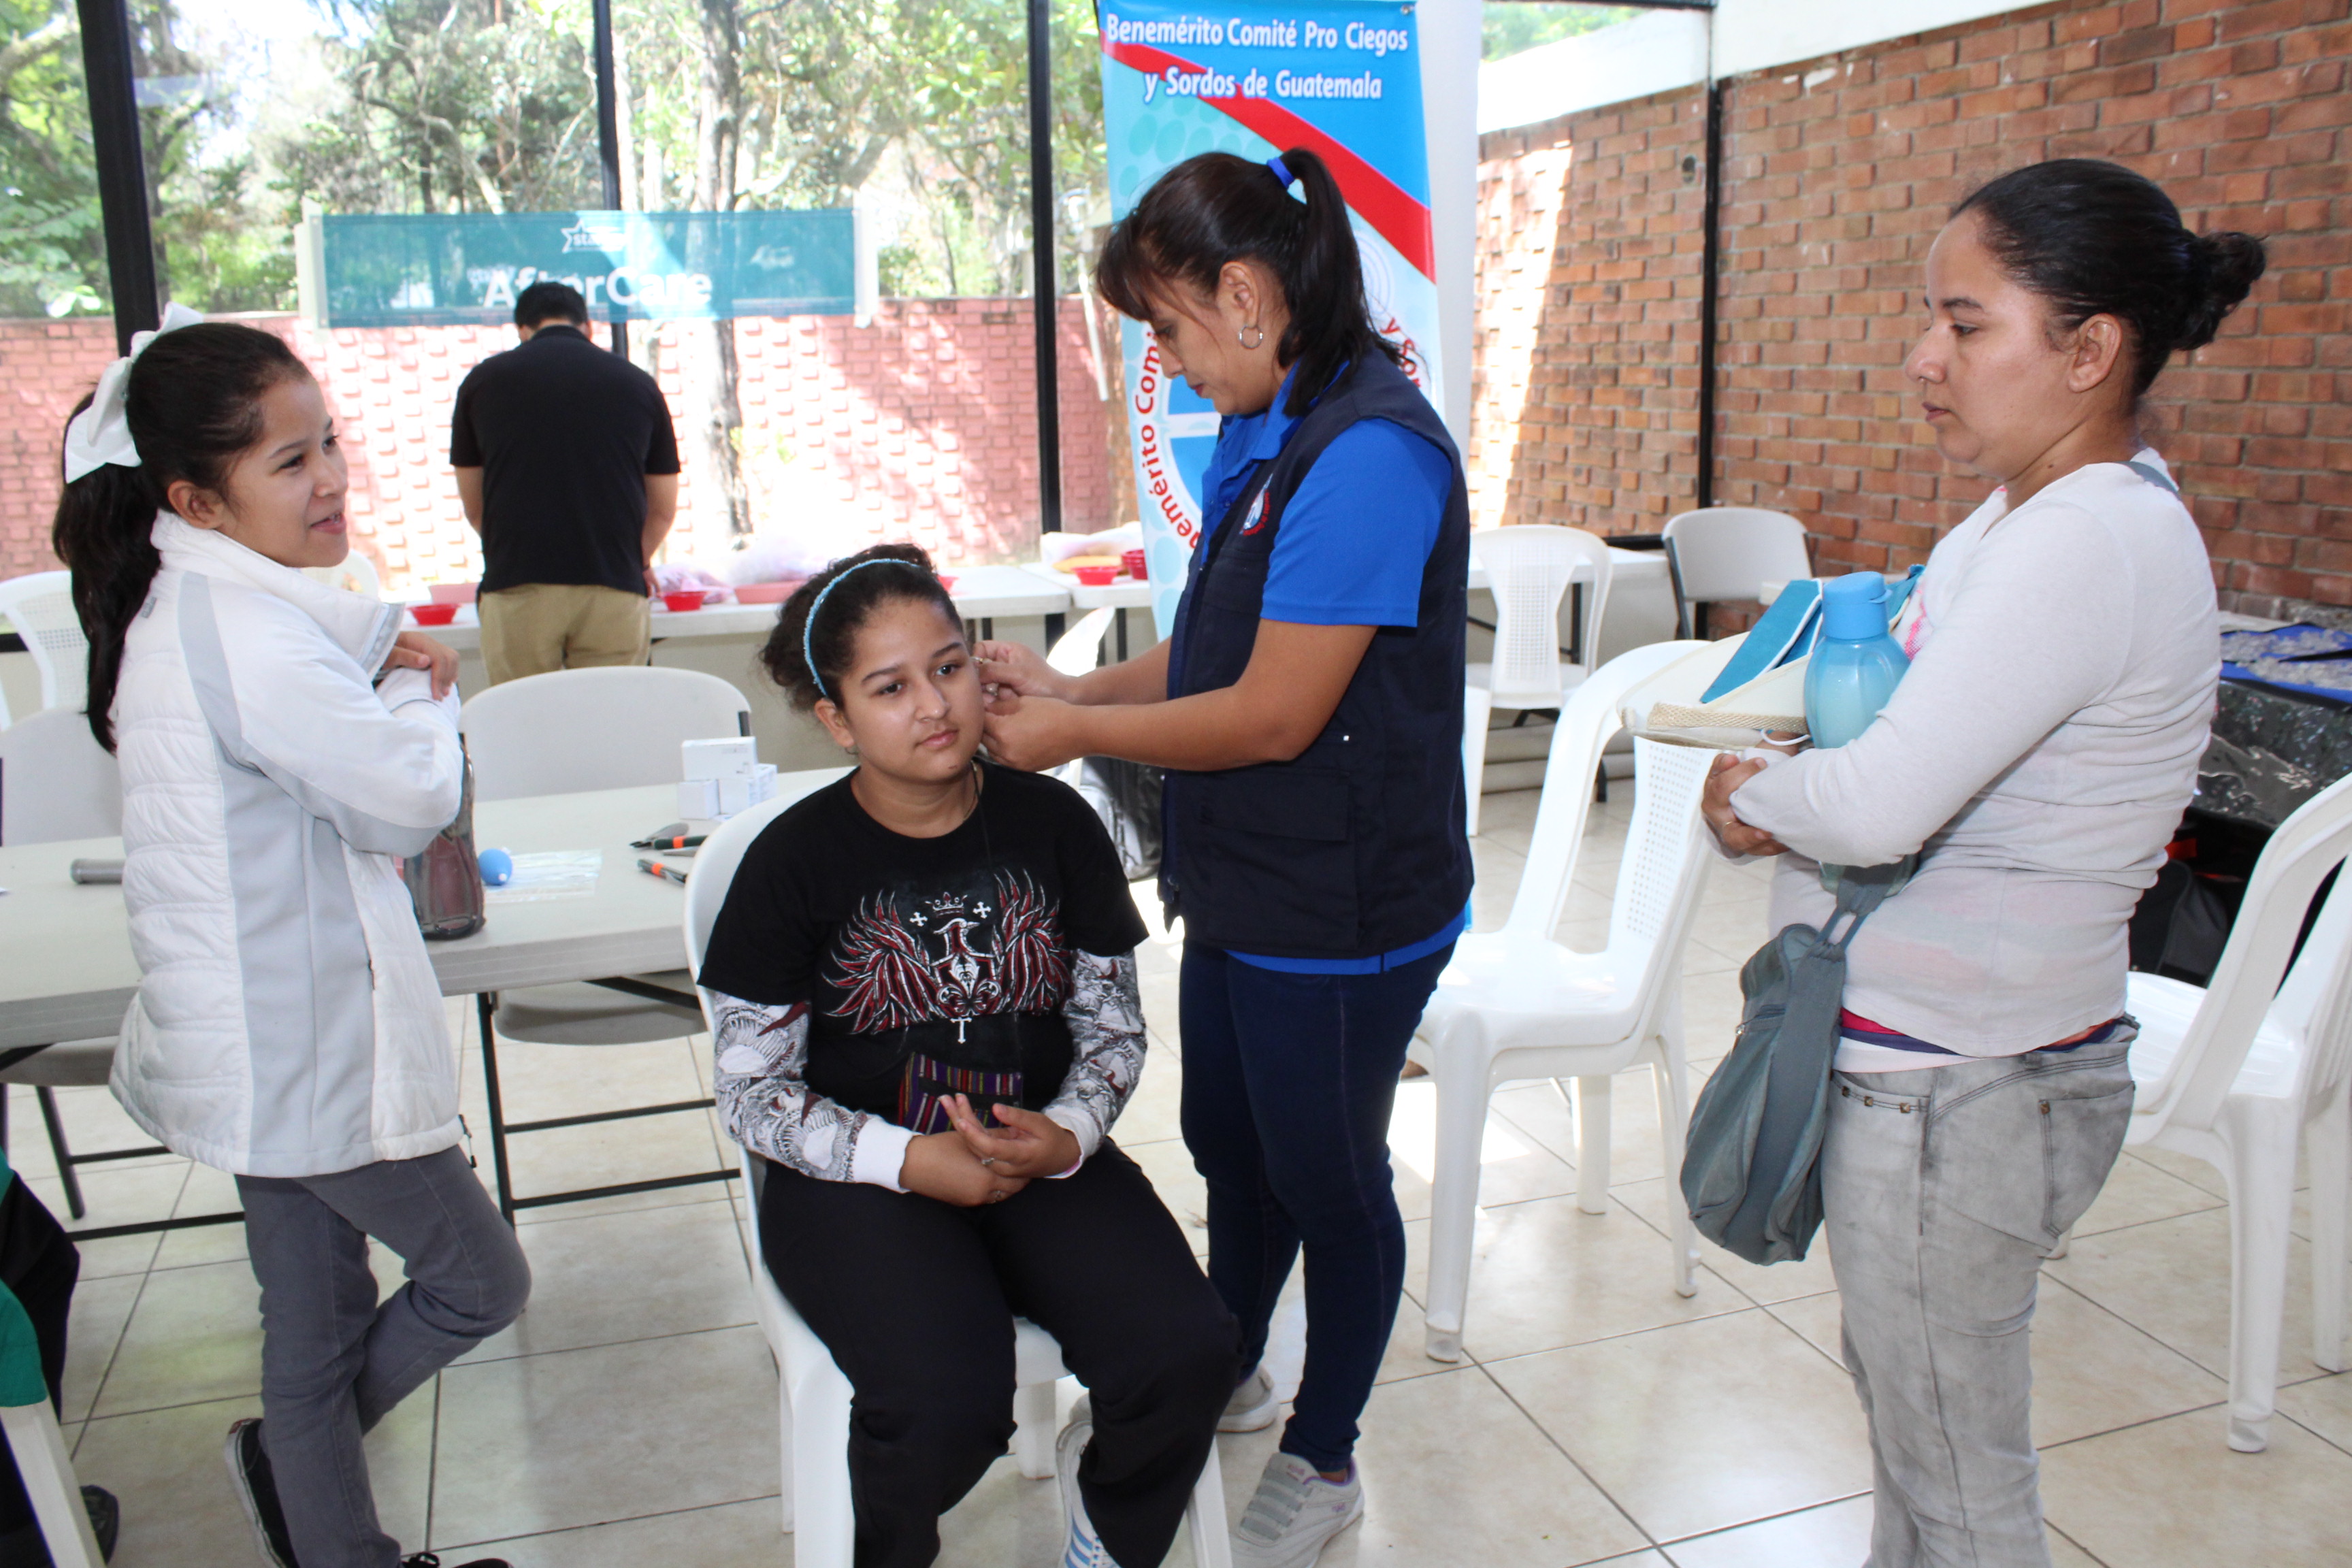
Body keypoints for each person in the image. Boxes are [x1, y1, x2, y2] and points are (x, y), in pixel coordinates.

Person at [1702, 159, 2266, 1568]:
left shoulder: (2084, 536)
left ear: (2090, 349)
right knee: (1919, 1436)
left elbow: (1887, 796)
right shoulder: (2037, 511)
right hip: (1956, 1066)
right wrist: (1795, 786)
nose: (1923, 362)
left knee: (1959, 1485)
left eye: (1965, 326)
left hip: (1966, 1091)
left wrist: (1771, 794)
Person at [979, 147, 1470, 1568]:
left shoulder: (1372, 450)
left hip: (1347, 906)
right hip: (1248, 891)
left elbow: (1272, 714)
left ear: (1249, 296)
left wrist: (1070, 733)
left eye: (1175, 331)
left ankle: (1326, 1457)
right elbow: (1209, 660)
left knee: (1331, 1179)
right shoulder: (1275, 421)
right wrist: (1068, 691)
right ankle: (1232, 1361)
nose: (1175, 367)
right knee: (1232, 1153)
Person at [50, 314, 531, 1568]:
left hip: (257, 1030)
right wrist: (422, 695)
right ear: (198, 499)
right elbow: (403, 798)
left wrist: (374, 653)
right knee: (481, 1280)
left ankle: (327, 1522)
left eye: (329, 443)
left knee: (311, 1330)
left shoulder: (198, 603)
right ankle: (292, 1466)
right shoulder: (242, 630)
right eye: (287, 462)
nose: (328, 480)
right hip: (303, 1037)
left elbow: (304, 663)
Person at [696, 545, 1236, 1568]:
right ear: (837, 718)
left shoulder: (1054, 822)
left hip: (1037, 1148)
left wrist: (1069, 1135)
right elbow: (753, 1093)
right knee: (946, 1399)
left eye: (947, 668)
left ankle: (1108, 1526)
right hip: (858, 1173)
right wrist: (905, 1161)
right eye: (889, 687)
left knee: (1187, 1349)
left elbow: (1113, 1025)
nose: (933, 706)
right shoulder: (791, 864)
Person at [450, 280, 681, 685]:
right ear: (588, 325)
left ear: (522, 328)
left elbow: (475, 505)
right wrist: (632, 559)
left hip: (517, 587)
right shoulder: (638, 384)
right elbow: (662, 508)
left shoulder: (482, 383)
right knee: (609, 725)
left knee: (523, 726)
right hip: (614, 588)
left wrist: (518, 549)